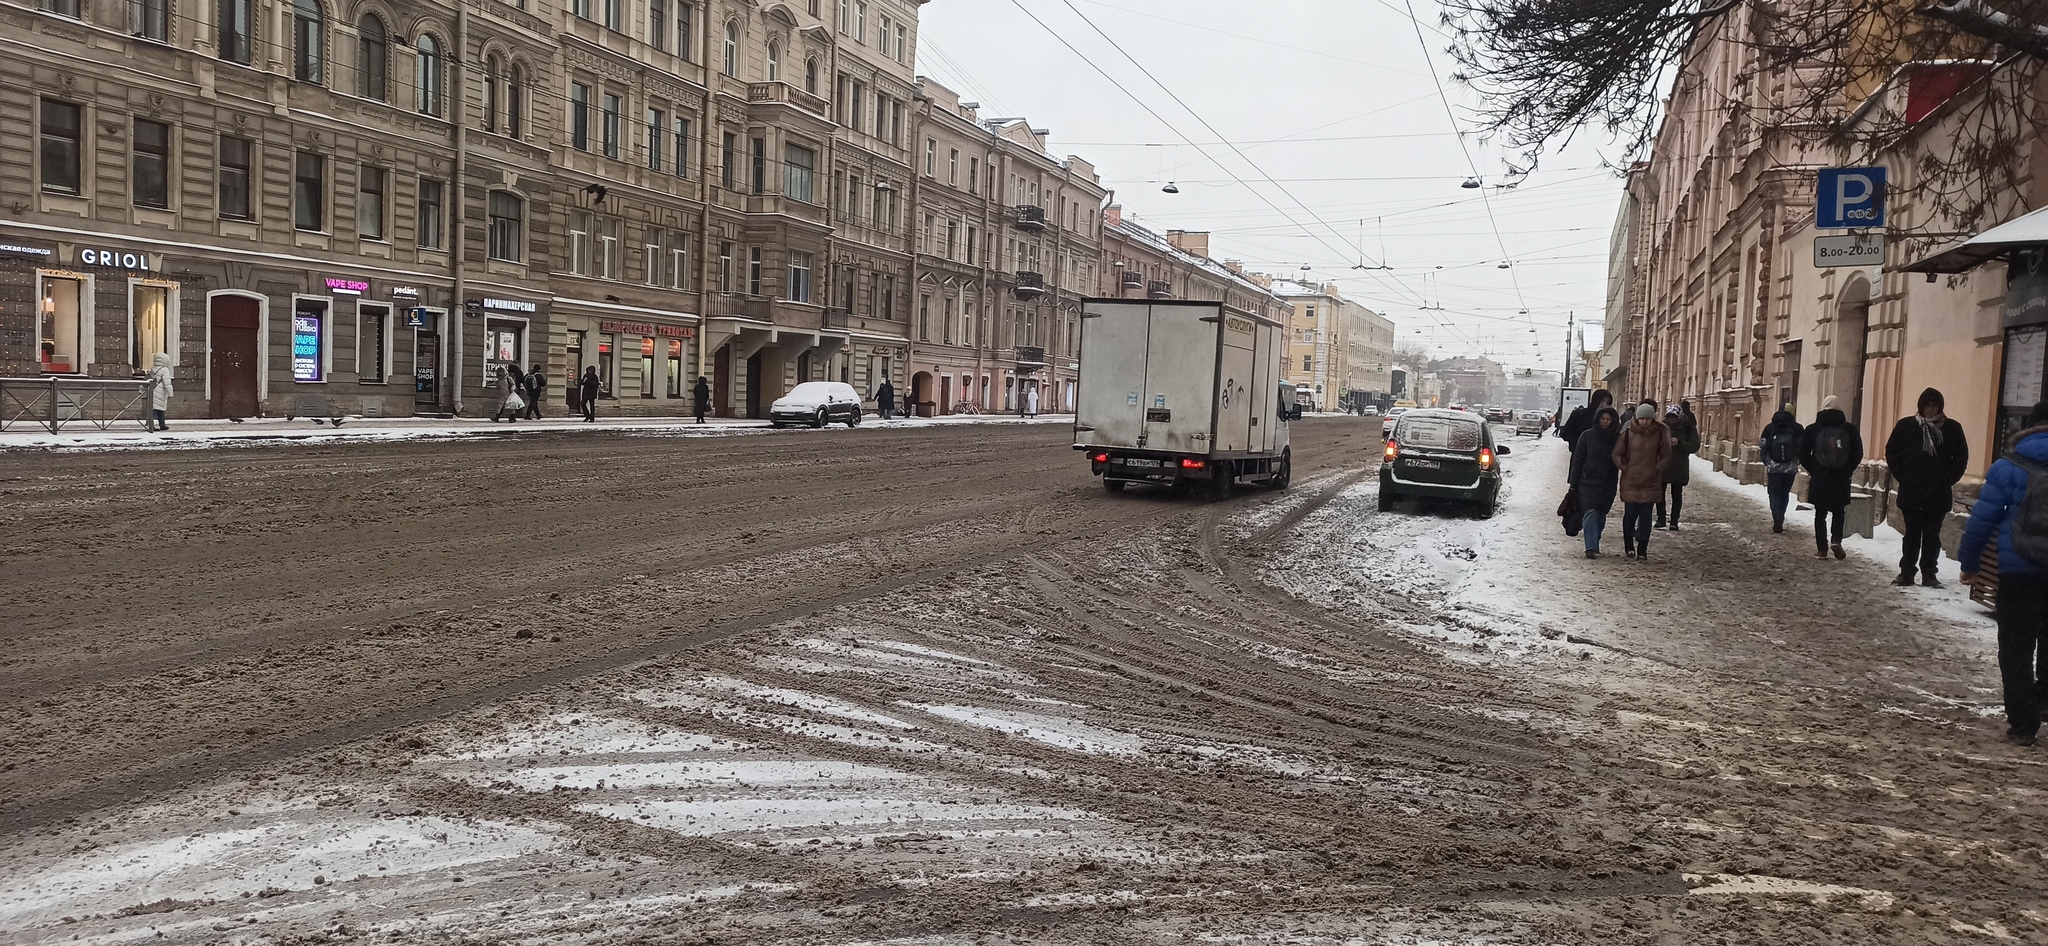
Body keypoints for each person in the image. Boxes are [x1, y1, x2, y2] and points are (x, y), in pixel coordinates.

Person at [1961, 401, 2048, 746]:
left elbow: (1982, 520)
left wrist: (1969, 563)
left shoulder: (2007, 466)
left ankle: (2023, 722)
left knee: (2016, 645)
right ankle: (2045, 699)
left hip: (2018, 570)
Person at [1885, 387, 1969, 587]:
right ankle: (1907, 572)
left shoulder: (1952, 428)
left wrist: (1947, 479)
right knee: (1912, 534)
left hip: (1937, 493)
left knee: (1932, 535)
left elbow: (1961, 457)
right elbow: (1892, 451)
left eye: (1934, 405)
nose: (1931, 409)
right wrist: (1904, 476)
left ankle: (1929, 572)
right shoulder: (1907, 426)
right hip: (1912, 491)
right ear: (1921, 407)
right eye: (1927, 405)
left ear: (1940, 407)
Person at [1801, 395, 1863, 560]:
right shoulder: (1850, 429)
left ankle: (1822, 548)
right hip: (1841, 478)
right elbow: (1858, 453)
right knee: (1839, 511)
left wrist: (1814, 469)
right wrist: (1847, 469)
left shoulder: (1813, 429)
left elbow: (1802, 453)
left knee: (1820, 513)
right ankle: (1836, 540)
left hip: (1820, 477)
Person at [1612, 402, 1672, 559]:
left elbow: (1666, 454)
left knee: (1646, 517)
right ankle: (1629, 546)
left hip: (1650, 481)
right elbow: (1617, 453)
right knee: (1629, 516)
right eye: (1642, 418)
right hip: (1631, 480)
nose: (1645, 422)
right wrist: (1624, 467)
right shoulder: (1628, 432)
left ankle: (1643, 549)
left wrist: (1657, 469)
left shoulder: (1660, 432)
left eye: (1648, 418)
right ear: (1637, 418)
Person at [1568, 406, 1623, 558]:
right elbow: (1578, 459)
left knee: (1601, 513)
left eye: (1608, 419)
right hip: (1588, 481)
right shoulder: (1587, 436)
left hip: (1608, 481)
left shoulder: (1617, 438)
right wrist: (1574, 482)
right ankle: (1590, 547)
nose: (1605, 422)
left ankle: (1595, 540)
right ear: (1598, 419)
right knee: (1590, 512)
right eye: (1603, 419)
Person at [1759, 409, 1805, 533]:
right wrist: (1796, 462)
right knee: (1784, 493)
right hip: (1790, 469)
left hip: (1774, 468)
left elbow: (1763, 447)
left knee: (1774, 494)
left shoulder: (1769, 428)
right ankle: (1781, 517)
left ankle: (1777, 518)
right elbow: (1803, 448)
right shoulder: (1798, 428)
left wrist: (1768, 462)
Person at [1658, 404, 1701, 530]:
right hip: (1663, 464)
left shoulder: (1688, 428)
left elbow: (1694, 446)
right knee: (1659, 494)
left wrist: (1680, 443)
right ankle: (1661, 519)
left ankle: (1674, 521)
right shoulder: (1661, 427)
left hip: (1679, 465)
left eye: (1674, 417)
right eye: (1669, 417)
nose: (1671, 420)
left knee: (1676, 494)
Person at [141, 352, 174, 431]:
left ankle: (150, 424)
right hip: (161, 392)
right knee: (161, 409)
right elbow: (167, 382)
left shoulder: (152, 368)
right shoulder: (165, 370)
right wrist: (170, 393)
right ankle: (161, 424)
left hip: (152, 390)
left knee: (152, 409)